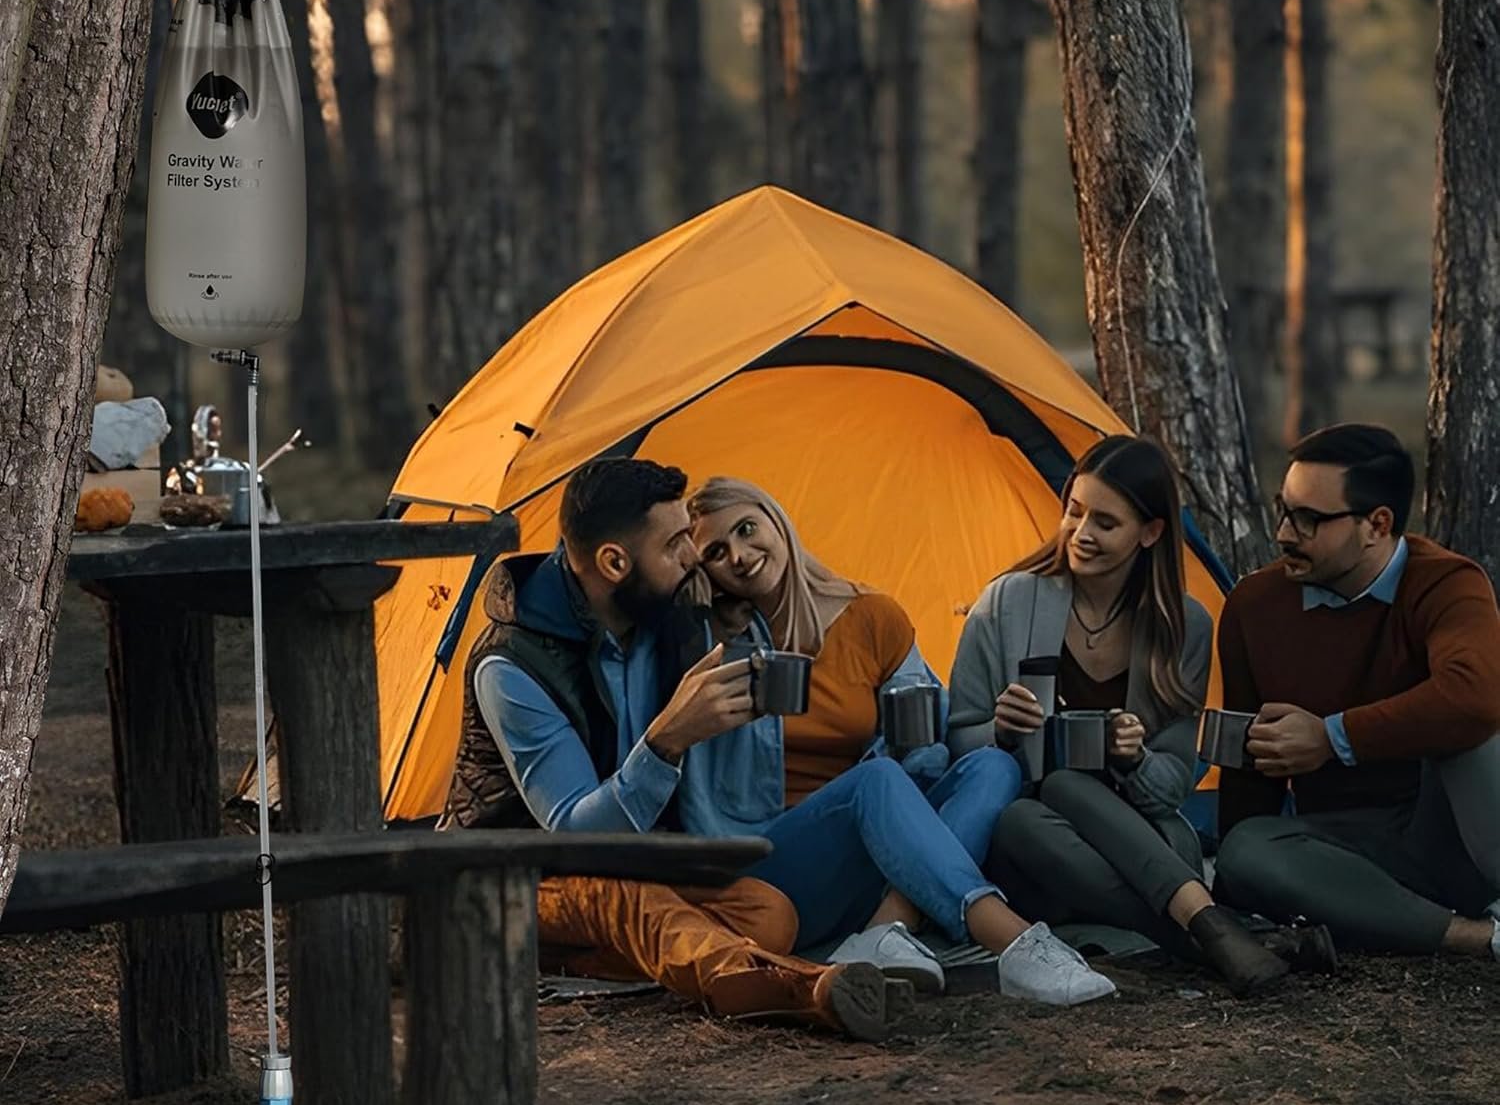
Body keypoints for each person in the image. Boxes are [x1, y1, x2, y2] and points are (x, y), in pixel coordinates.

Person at [441, 456, 911, 1042]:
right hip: (517, 876)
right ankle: (796, 990)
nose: (693, 556)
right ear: (615, 563)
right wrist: (668, 740)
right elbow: (578, 839)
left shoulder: (660, 614)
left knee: (769, 914)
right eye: (674, 545)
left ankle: (579, 962)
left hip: (639, 860)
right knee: (630, 903)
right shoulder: (512, 666)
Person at [686, 477, 1116, 1007]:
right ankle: (1014, 942)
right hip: (775, 865)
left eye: (747, 529)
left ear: (776, 520)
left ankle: (886, 928)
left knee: (993, 765)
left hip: (870, 857)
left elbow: (928, 743)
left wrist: (913, 765)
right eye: (715, 552)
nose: (739, 555)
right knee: (876, 779)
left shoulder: (871, 616)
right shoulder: (711, 643)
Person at [949, 435, 1332, 997]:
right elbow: (958, 742)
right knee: (1031, 809)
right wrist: (1000, 731)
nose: (1081, 533)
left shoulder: (1184, 628)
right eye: (1074, 511)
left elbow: (1173, 784)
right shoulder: (1007, 603)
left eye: (1105, 522)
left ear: (1150, 533)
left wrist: (1135, 759)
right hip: (1040, 852)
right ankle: (1221, 932)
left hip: (1144, 841)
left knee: (1068, 785)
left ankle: (1208, 935)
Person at [1211, 423, 1500, 962]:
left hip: (1456, 833)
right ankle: (1476, 937)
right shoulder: (1255, 605)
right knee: (1245, 848)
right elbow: (1251, 765)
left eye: (1308, 519)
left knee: (1475, 726)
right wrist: (1235, 890)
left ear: (1377, 524)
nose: (1284, 533)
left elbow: (1475, 697)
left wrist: (1331, 737)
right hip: (1347, 850)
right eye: (1282, 510)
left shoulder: (1447, 583)